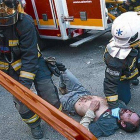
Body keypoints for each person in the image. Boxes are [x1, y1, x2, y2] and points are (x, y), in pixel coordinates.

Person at [0, 0, 61, 139]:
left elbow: (29, 55)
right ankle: (34, 125)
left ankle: (57, 119)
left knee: (48, 91)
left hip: (33, 60)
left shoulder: (24, 22)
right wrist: (20, 90)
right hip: (8, 67)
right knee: (20, 100)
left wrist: (25, 85)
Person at [59, 69, 140, 138]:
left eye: (129, 115)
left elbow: (82, 132)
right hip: (82, 91)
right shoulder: (122, 106)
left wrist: (91, 110)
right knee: (62, 69)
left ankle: (59, 94)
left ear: (123, 123)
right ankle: (62, 87)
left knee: (47, 99)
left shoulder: (108, 126)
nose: (128, 111)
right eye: (131, 111)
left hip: (69, 102)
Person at [103, 11, 140, 109]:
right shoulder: (115, 58)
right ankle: (130, 78)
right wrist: (113, 105)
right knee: (124, 99)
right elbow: (110, 83)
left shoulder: (135, 30)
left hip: (133, 66)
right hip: (123, 75)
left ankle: (134, 77)